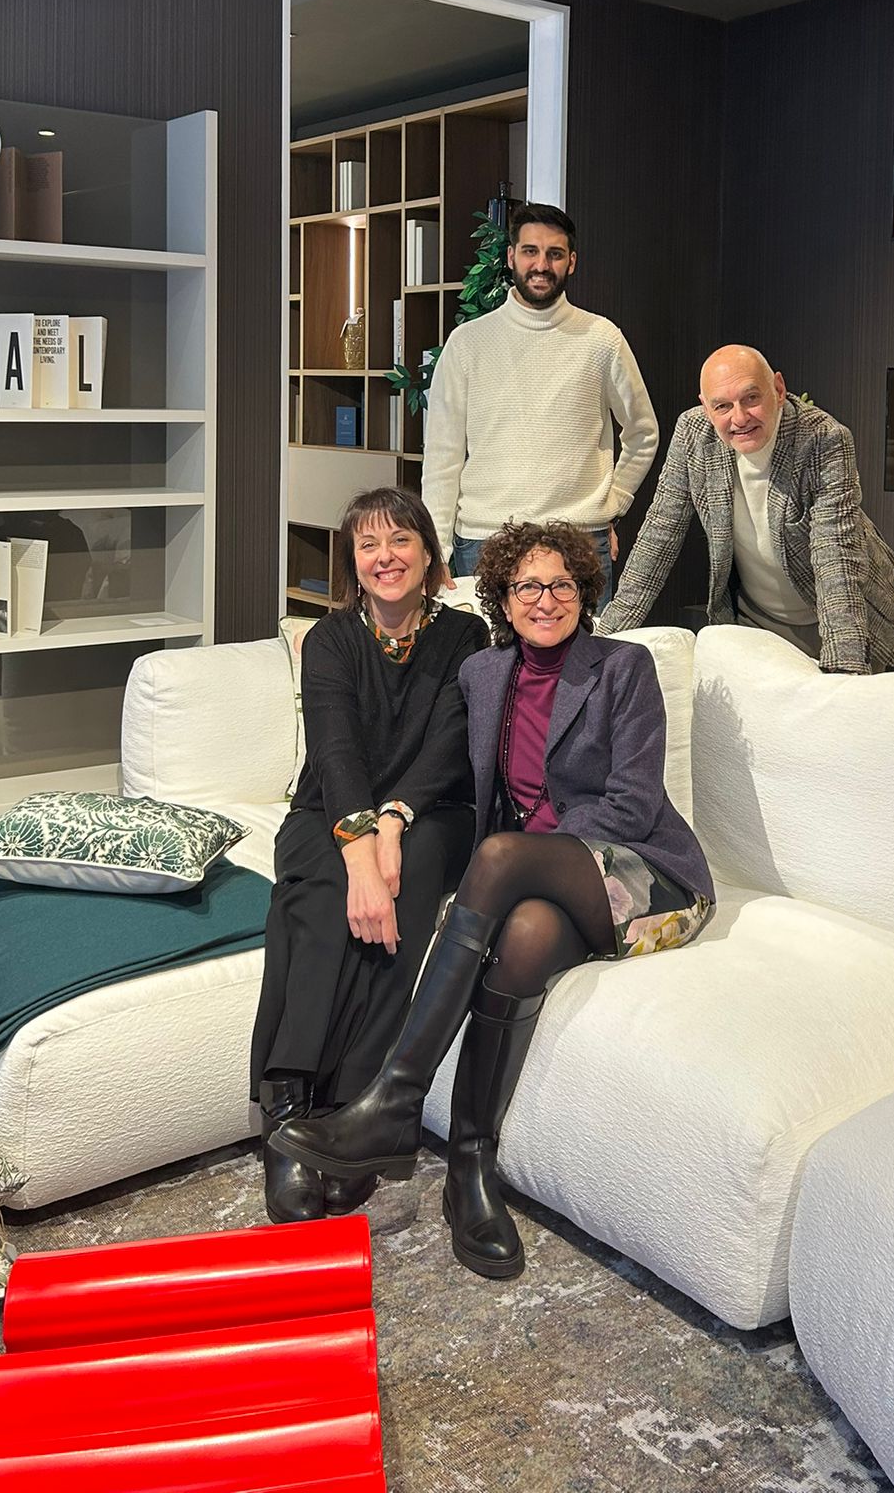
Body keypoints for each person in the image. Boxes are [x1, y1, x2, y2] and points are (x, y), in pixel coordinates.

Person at [271, 519, 713, 1279]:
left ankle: (395, 1098)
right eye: (527, 586)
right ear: (503, 601)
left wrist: (535, 856)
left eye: (562, 584)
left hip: (644, 877)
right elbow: (456, 773)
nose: (546, 600)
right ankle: (470, 1170)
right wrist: (385, 825)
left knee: (502, 855)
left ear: (585, 593)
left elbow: (635, 805)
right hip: (547, 888)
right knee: (523, 939)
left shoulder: (623, 667)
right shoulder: (483, 675)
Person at [250, 487, 488, 1224]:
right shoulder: (329, 640)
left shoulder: (466, 635)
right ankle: (290, 1113)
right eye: (368, 544)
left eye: (400, 540)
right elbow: (337, 750)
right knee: (320, 901)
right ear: (353, 561)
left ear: (429, 554)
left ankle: (356, 1111)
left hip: (430, 812)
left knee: (408, 893)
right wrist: (361, 856)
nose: (385, 557)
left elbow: (450, 743)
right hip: (330, 809)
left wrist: (395, 821)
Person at [599, 344, 894, 673]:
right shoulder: (693, 434)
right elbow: (659, 536)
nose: (739, 418)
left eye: (751, 398)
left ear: (778, 389)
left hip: (840, 618)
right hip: (754, 622)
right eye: (722, 406)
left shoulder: (823, 438)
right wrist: (604, 640)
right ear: (706, 408)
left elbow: (836, 557)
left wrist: (844, 671)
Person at [419, 201, 658, 608]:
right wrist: (436, 551)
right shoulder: (467, 343)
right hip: (485, 539)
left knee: (586, 651)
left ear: (572, 262)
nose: (541, 265)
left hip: (580, 538)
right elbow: (443, 456)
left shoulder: (602, 339)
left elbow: (643, 432)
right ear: (511, 256)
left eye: (555, 254)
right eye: (530, 251)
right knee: (488, 651)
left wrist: (613, 500)